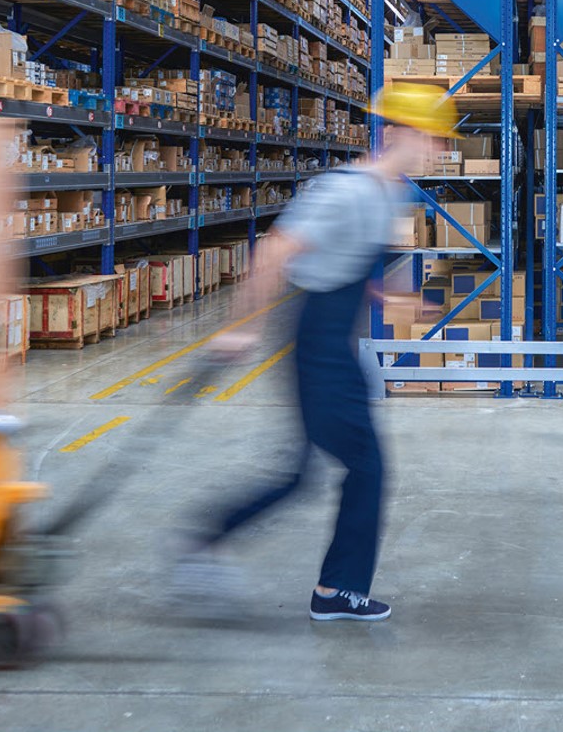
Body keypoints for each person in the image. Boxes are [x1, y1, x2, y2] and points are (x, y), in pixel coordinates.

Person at [172, 83, 456, 622]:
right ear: (395, 133)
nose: (436, 152)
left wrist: (380, 293)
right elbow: (277, 249)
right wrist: (239, 327)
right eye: (430, 139)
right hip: (315, 340)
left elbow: (340, 258)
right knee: (366, 467)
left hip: (331, 337)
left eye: (440, 143)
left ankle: (207, 540)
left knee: (302, 473)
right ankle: (335, 590)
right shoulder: (345, 190)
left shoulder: (390, 193)